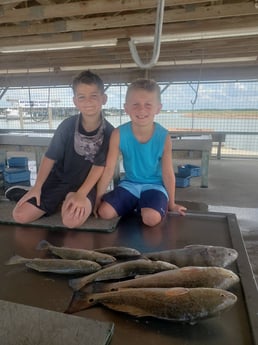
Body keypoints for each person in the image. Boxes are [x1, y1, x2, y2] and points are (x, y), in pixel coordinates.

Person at [5, 70, 114, 228]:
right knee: (19, 215)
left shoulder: (110, 132)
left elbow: (99, 167)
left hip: (87, 186)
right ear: (75, 101)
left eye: (94, 96)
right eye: (82, 97)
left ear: (103, 99)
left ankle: (65, 200)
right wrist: (37, 187)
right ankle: (41, 194)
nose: (88, 101)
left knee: (71, 221)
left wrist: (81, 194)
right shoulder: (66, 126)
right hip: (60, 179)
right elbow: (49, 157)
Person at [94, 78, 187, 227]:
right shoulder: (118, 134)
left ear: (158, 108)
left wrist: (172, 204)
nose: (141, 110)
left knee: (151, 219)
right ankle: (136, 204)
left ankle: (144, 205)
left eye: (148, 105)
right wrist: (98, 198)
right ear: (126, 108)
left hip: (155, 186)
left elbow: (168, 173)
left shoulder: (164, 136)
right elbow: (109, 168)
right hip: (129, 184)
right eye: (135, 104)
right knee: (104, 213)